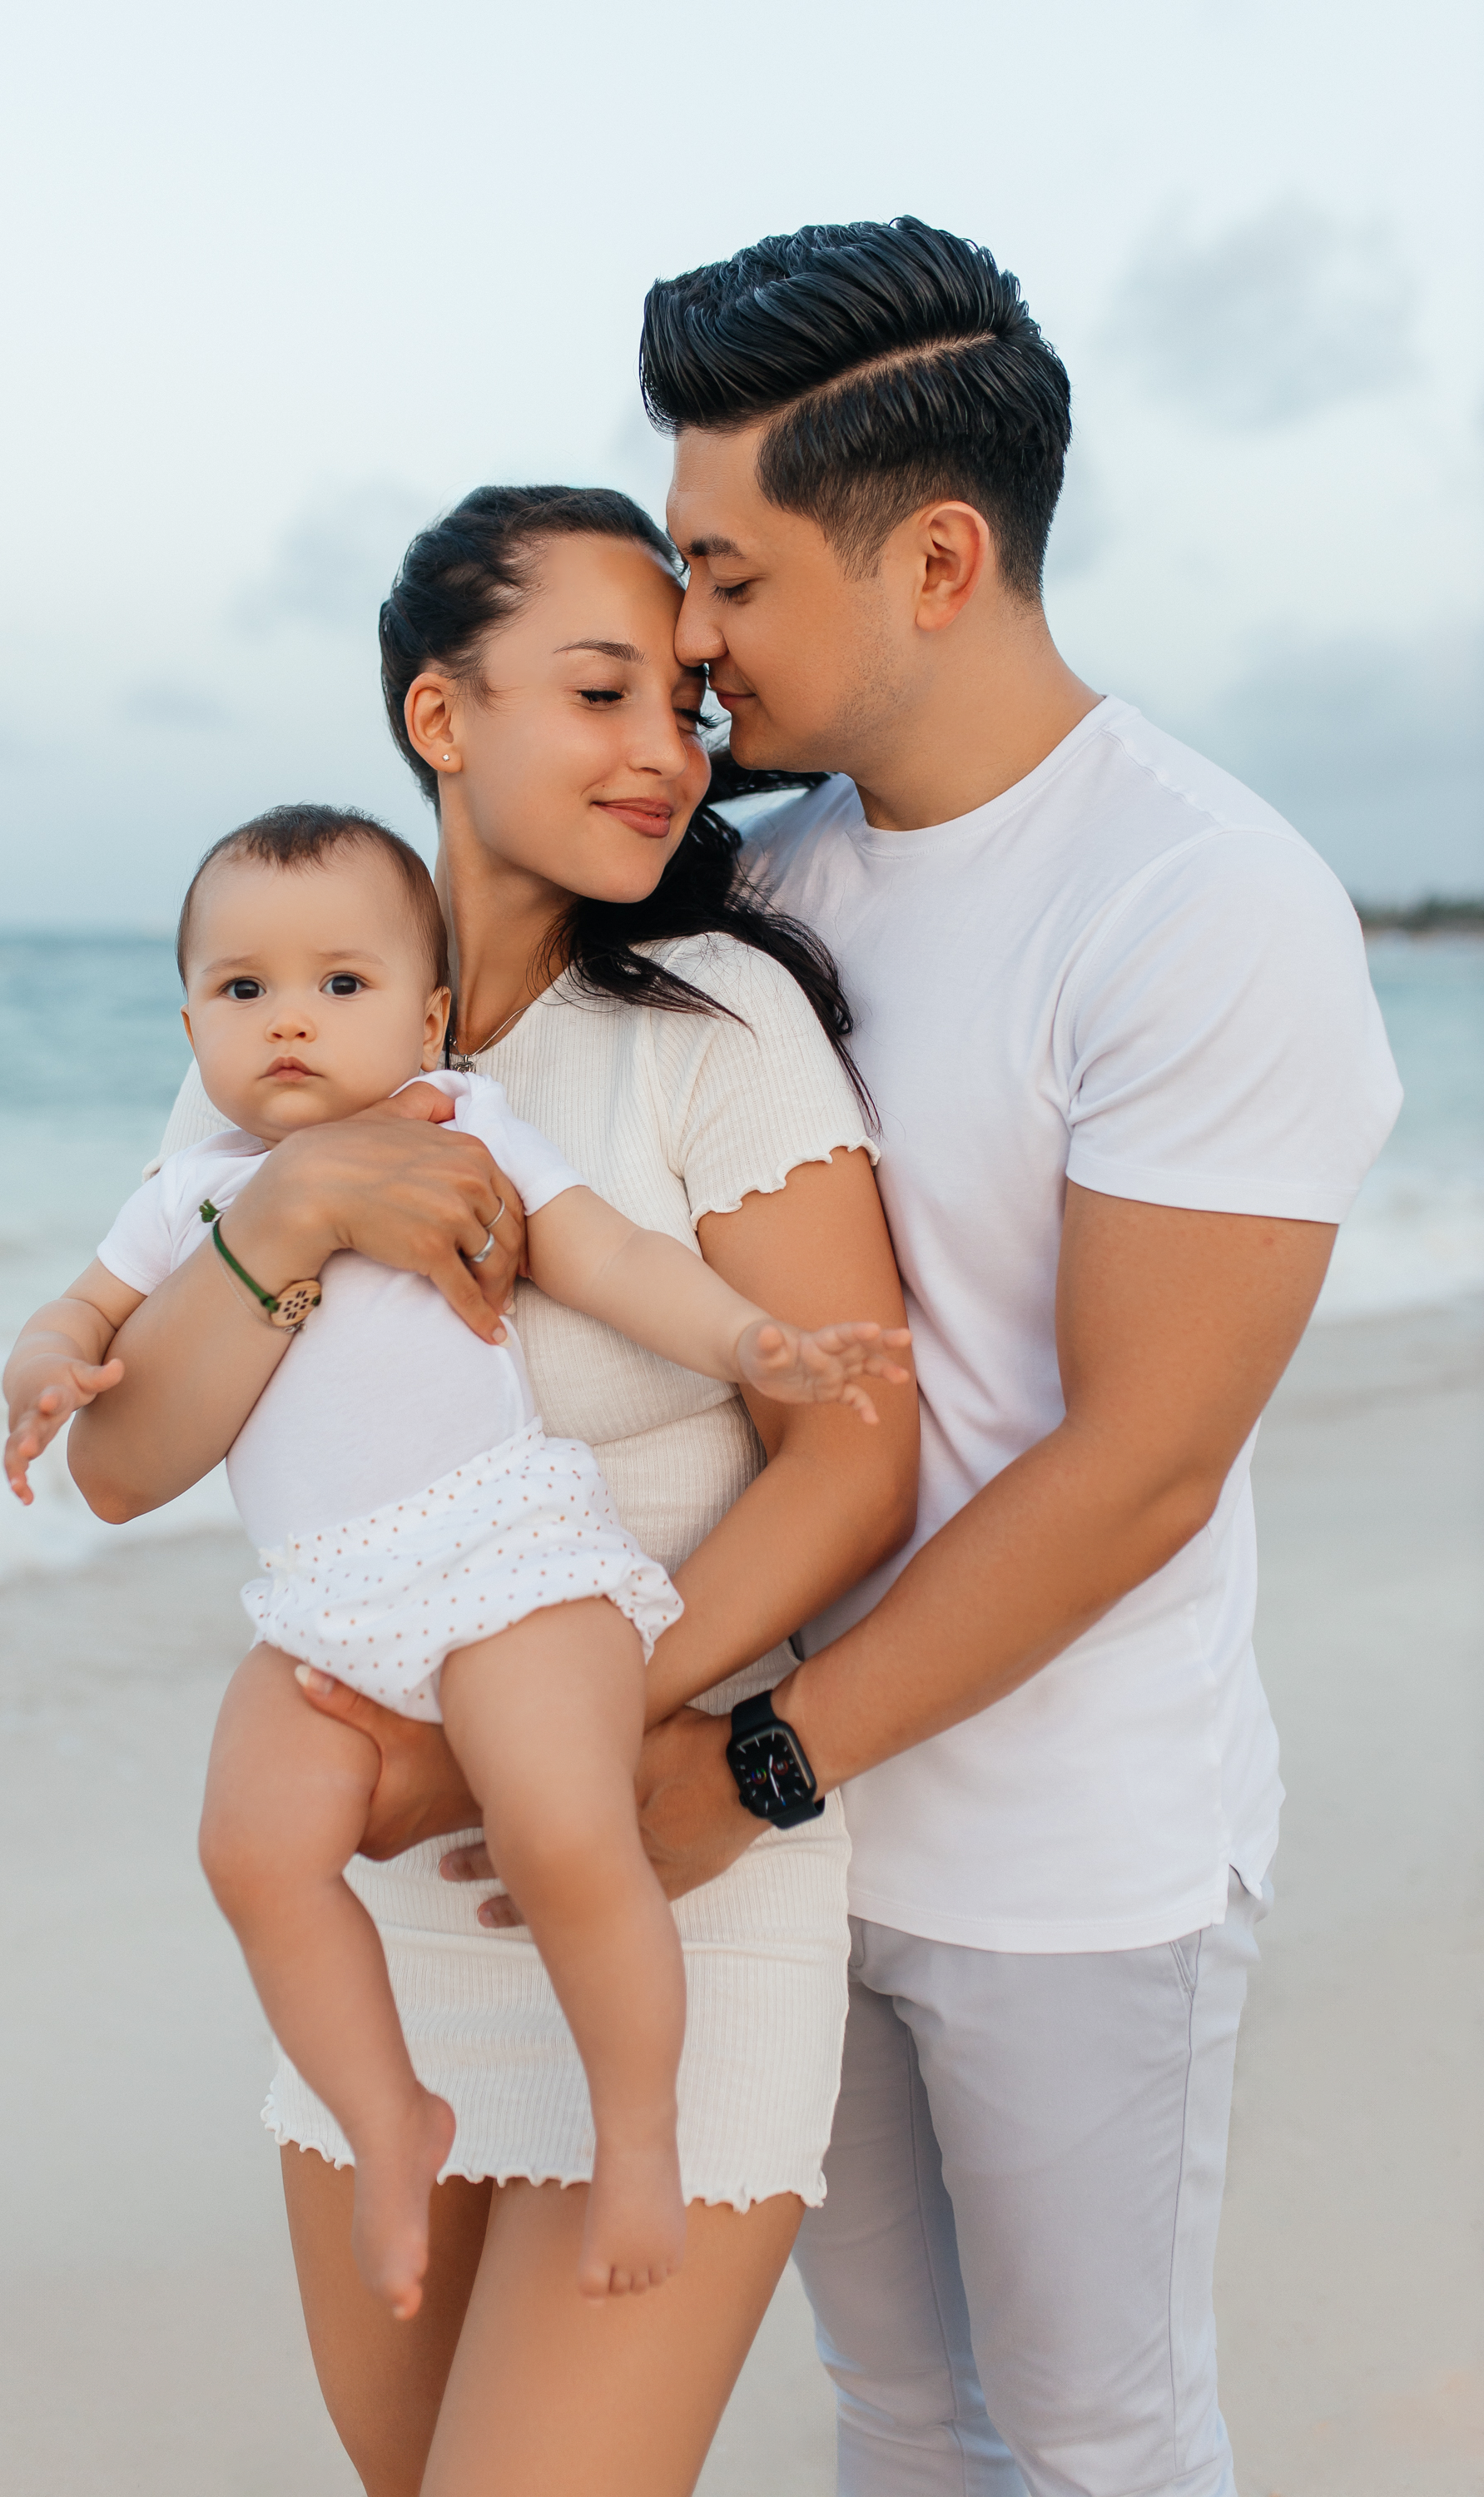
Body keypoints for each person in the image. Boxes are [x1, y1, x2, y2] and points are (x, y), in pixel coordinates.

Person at [539, 216, 1395, 2495]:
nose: (688, 642)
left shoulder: (1201, 897)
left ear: (935, 558)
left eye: (727, 576)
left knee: (1101, 2438)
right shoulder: (769, 891)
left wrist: (756, 1770)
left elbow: (1137, 1468)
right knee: (905, 2415)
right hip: (795, 1837)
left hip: (1066, 1857)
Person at [63, 489, 921, 2495]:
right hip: (397, 1931)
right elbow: (120, 1464)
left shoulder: (716, 1026)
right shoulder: (284, 1043)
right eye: (604, 690)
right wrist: (283, 1216)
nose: (667, 751)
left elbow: (853, 1459)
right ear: (439, 716)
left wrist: (544, 1730)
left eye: (690, 705)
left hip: (657, 1849)